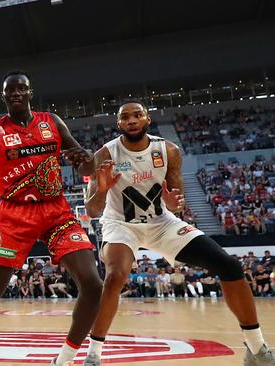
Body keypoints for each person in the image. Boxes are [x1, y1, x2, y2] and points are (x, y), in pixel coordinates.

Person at [82, 101, 275, 366]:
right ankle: (93, 355)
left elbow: (177, 199)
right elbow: (92, 209)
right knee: (116, 275)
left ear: (147, 119)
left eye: (137, 115)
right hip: (120, 224)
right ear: (118, 124)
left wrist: (176, 205)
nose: (131, 120)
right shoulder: (105, 154)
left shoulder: (169, 150)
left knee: (228, 265)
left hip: (161, 222)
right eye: (125, 117)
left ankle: (256, 349)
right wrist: (102, 190)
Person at [0, 71, 103, 366]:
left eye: (22, 88)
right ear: (4, 96)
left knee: (93, 284)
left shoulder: (52, 122)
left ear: (30, 92)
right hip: (14, 214)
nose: (17, 93)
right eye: (11, 90)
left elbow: (87, 168)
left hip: (56, 210)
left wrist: (84, 157)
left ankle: (65, 358)